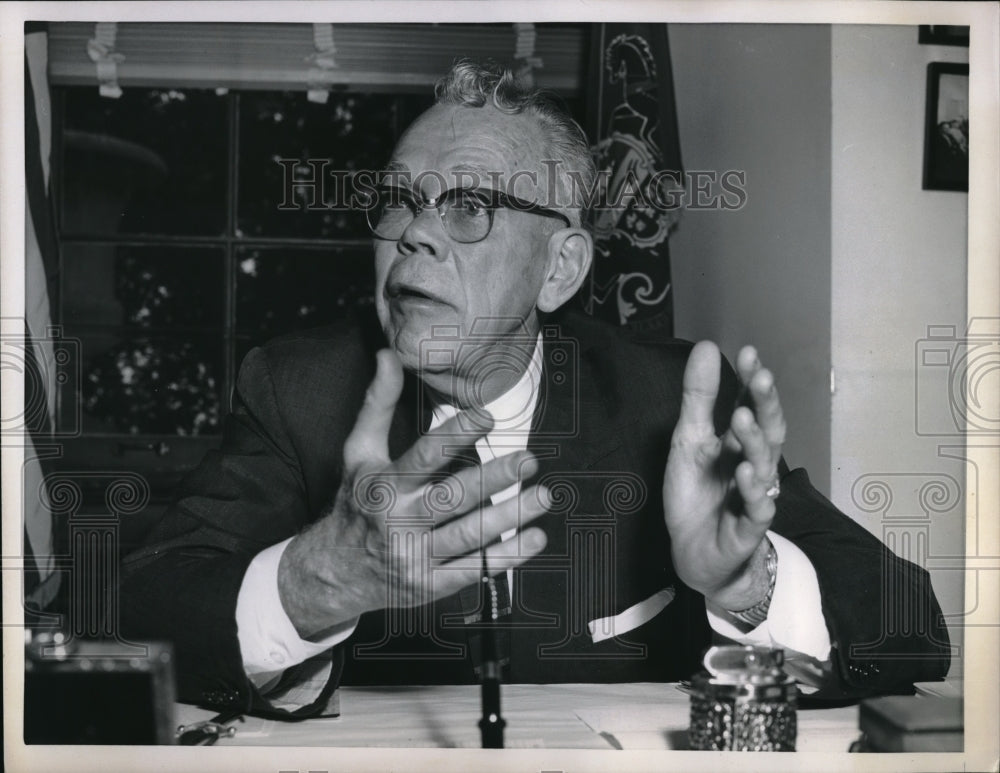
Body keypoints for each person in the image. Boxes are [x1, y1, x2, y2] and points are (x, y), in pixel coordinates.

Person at [120, 61, 950, 718]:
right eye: (401, 200)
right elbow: (131, 610)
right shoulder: (299, 390)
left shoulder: (671, 398)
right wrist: (316, 580)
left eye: (469, 206)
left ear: (561, 269)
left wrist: (746, 582)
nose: (412, 232)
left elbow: (911, 629)